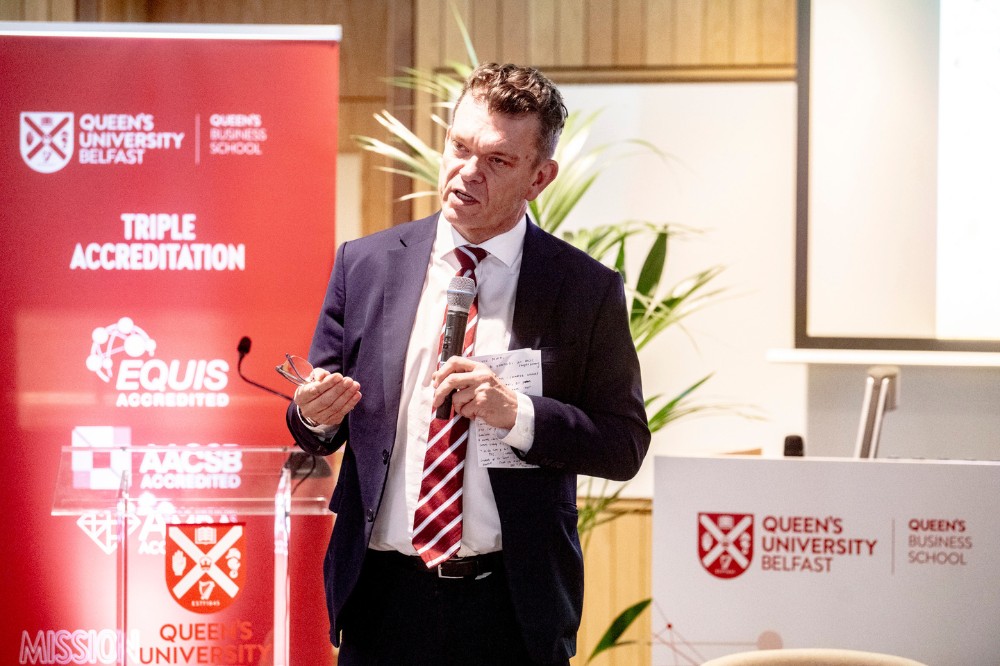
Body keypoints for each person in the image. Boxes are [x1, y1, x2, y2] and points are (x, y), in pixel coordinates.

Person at [285, 62, 650, 666]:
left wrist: (520, 415)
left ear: (540, 177)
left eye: (498, 160)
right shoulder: (366, 265)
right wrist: (314, 414)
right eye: (459, 147)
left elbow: (624, 444)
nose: (468, 172)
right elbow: (317, 426)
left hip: (510, 608)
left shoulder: (583, 289)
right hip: (381, 600)